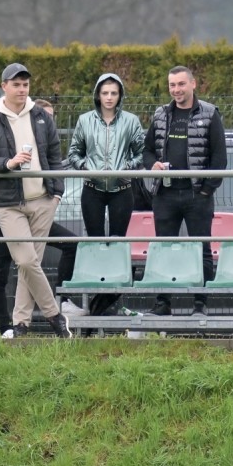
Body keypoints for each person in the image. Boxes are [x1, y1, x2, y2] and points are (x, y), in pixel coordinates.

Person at [0, 63, 71, 338]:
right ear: (4, 86)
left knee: (31, 265)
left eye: (25, 84)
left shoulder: (41, 116)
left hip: (43, 201)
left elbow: (55, 155)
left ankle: (21, 324)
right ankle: (55, 316)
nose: (21, 89)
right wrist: (8, 163)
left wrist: (57, 192)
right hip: (7, 204)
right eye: (16, 84)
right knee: (27, 262)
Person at [143, 65, 227, 316]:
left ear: (193, 84)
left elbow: (219, 158)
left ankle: (200, 304)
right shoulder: (160, 114)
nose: (176, 89)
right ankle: (163, 303)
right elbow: (147, 150)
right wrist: (152, 165)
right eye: (172, 85)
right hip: (165, 195)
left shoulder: (210, 114)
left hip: (197, 195)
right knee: (164, 249)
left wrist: (206, 191)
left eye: (181, 84)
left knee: (201, 250)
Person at [68, 74, 145, 317]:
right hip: (92, 190)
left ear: (120, 95)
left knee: (117, 244)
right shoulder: (84, 120)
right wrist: (86, 168)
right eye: (105, 93)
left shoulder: (131, 121)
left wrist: (127, 169)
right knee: (96, 244)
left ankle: (107, 303)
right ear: (98, 95)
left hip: (122, 190)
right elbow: (74, 153)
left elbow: (142, 153)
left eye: (114, 93)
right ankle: (97, 300)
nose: (109, 97)